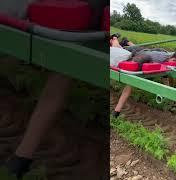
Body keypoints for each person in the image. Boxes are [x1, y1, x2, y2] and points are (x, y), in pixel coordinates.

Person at [0, 0, 108, 178]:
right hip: (70, 20)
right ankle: (20, 160)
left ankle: (21, 159)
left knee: (64, 67)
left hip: (78, 21)